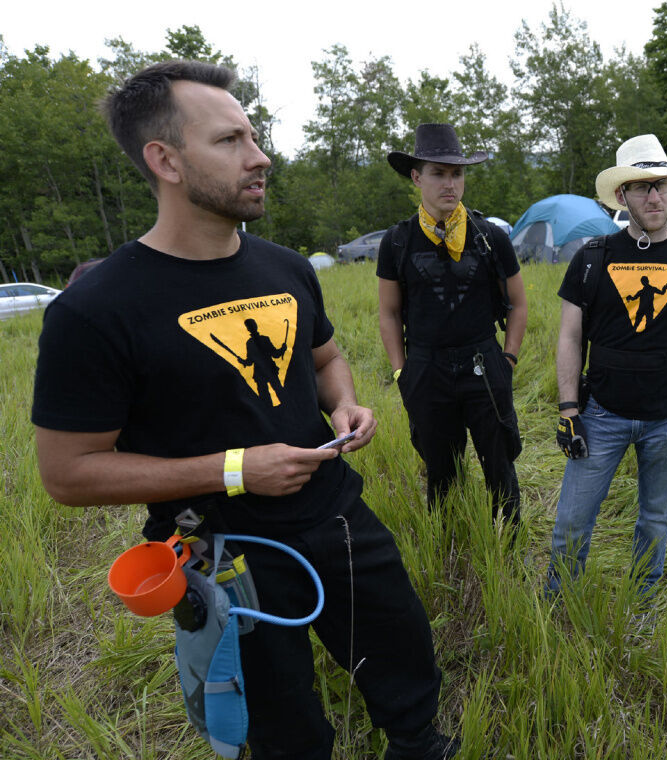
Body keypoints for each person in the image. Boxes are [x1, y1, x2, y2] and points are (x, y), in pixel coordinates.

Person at [31, 61, 458, 760]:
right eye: (231, 141)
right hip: (226, 553)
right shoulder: (96, 310)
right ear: (164, 160)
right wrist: (234, 469)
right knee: (283, 726)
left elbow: (322, 361)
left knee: (402, 651)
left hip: (337, 515)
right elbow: (68, 473)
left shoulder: (284, 267)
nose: (260, 158)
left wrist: (346, 404)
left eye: (254, 137)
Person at [546, 134, 667, 601]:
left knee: (655, 519)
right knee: (572, 521)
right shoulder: (592, 258)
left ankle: (643, 605)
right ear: (622, 196)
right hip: (600, 413)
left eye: (663, 184)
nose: (654, 196)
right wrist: (569, 411)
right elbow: (569, 337)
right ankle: (559, 602)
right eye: (641, 186)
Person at [377, 123, 527, 525]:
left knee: (500, 464)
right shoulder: (397, 241)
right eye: (438, 173)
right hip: (426, 367)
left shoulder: (490, 236)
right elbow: (389, 312)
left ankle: (509, 549)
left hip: (484, 360)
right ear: (416, 177)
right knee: (440, 471)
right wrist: (400, 371)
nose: (450, 184)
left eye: (456, 173)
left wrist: (507, 360)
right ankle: (449, 543)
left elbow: (517, 303)